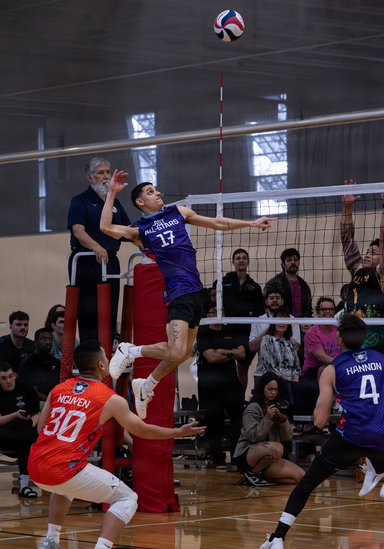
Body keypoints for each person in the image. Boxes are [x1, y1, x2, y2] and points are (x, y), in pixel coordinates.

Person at [101, 170, 273, 419]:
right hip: (177, 291)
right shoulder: (139, 230)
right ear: (140, 202)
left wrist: (251, 223)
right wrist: (111, 194)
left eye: (156, 189)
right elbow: (105, 227)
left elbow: (217, 223)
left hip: (196, 291)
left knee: (181, 354)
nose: (157, 193)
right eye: (150, 192)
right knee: (174, 351)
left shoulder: (178, 212)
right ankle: (129, 351)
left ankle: (146, 386)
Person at [258, 314, 384, 549]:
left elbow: (319, 421)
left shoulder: (332, 369)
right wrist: (382, 419)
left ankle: (277, 539)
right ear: (364, 338)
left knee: (307, 484)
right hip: (383, 434)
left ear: (339, 339)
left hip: (350, 436)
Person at [29, 340, 205, 549]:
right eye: (107, 356)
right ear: (102, 365)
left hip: (36, 465)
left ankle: (51, 540)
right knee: (127, 498)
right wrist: (177, 432)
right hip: (63, 468)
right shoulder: (110, 398)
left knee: (65, 487)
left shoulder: (59, 388)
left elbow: (41, 428)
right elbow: (141, 431)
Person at [67, 157, 130, 344]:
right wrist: (96, 247)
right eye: (100, 172)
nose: (105, 176)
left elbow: (128, 231)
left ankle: (109, 349)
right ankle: (90, 351)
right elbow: (78, 231)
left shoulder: (114, 204)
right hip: (86, 261)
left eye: (107, 172)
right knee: (88, 310)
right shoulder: (79, 201)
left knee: (110, 308)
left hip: (110, 262)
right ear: (89, 178)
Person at [339, 185, 384, 352]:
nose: (367, 254)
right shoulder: (357, 270)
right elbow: (347, 239)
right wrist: (347, 208)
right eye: (367, 251)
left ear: (383, 258)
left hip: (376, 346)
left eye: (373, 253)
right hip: (351, 342)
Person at [196, 303, 246, 469]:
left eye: (221, 310)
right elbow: (211, 358)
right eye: (214, 310)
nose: (218, 313)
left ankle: (237, 458)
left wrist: (221, 351)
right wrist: (230, 353)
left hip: (231, 384)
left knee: (237, 424)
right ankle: (218, 459)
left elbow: (242, 353)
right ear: (209, 314)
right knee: (214, 423)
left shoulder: (230, 331)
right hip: (211, 385)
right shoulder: (202, 332)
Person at [233, 372, 306, 486]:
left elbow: (288, 437)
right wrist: (267, 419)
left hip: (269, 458)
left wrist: (283, 420)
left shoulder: (278, 406)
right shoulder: (253, 407)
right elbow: (253, 437)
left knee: (301, 477)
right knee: (277, 448)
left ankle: (256, 478)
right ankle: (252, 472)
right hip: (247, 454)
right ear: (262, 388)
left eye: (276, 390)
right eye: (270, 389)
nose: (273, 393)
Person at [0, 362, 41, 497]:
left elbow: (37, 415)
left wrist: (27, 426)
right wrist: (16, 415)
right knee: (26, 435)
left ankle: (24, 487)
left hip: (22, 434)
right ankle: (25, 486)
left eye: (11, 376)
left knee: (25, 438)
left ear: (15, 375)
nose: (9, 381)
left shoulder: (26, 388)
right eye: (4, 378)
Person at [219, 248, 265, 388]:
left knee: (242, 368)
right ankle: (227, 398)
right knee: (226, 366)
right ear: (233, 262)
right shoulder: (223, 282)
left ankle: (240, 399)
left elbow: (260, 312)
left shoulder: (254, 287)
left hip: (247, 332)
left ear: (248, 262)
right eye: (238, 258)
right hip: (228, 330)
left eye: (244, 258)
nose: (241, 260)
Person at [265, 248, 313, 319]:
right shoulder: (274, 283)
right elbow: (265, 305)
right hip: (281, 323)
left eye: (296, 260)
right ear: (283, 264)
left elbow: (308, 308)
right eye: (289, 260)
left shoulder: (304, 285)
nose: (293, 262)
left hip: (301, 324)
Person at [18, 328, 62, 400]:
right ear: (35, 342)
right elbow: (33, 392)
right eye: (43, 339)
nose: (48, 342)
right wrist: (52, 401)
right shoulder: (27, 364)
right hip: (36, 401)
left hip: (56, 399)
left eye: (50, 339)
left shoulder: (56, 362)